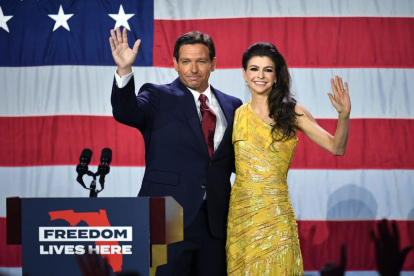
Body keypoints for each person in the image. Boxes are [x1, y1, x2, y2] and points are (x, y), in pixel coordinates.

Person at [109, 27, 243, 276]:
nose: (193, 69)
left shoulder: (233, 105)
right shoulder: (157, 96)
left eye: (201, 61)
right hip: (167, 220)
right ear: (175, 64)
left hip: (216, 222)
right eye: (186, 61)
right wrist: (124, 70)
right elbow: (126, 111)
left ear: (213, 64)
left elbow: (236, 161)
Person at [226, 42, 351, 275]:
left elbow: (337, 148)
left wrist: (344, 115)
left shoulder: (293, 113)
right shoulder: (236, 115)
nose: (260, 75)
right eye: (254, 69)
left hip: (276, 218)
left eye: (267, 69)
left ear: (276, 75)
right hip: (241, 219)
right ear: (244, 74)